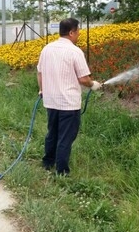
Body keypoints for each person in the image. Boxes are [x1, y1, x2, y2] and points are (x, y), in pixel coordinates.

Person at [36, 18, 102, 176]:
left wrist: (42, 89)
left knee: (52, 133)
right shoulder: (75, 51)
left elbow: (40, 72)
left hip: (51, 101)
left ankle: (48, 163)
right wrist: (93, 84)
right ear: (71, 32)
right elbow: (83, 79)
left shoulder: (47, 48)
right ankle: (62, 171)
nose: (79, 34)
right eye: (78, 31)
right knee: (65, 137)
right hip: (68, 103)